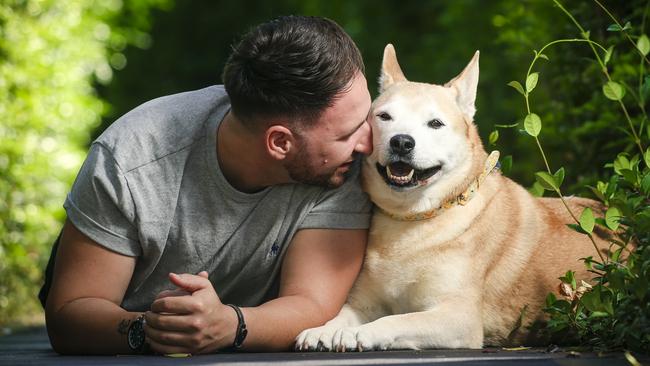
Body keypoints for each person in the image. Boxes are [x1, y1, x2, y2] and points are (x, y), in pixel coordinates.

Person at [41, 15, 373, 355]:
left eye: (369, 116)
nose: (369, 142)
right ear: (279, 143)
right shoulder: (131, 160)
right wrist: (154, 328)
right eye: (349, 133)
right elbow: (71, 312)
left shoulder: (346, 166)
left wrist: (230, 325)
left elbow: (314, 305)